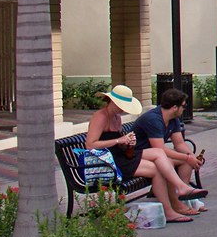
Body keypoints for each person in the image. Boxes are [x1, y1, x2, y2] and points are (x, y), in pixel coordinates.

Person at [85, 85, 204, 222]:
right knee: (159, 154)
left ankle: (170, 208)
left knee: (158, 167)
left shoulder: (116, 118)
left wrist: (126, 143)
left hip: (120, 156)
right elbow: (90, 145)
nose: (122, 109)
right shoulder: (101, 116)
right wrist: (119, 140)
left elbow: (118, 144)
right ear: (111, 101)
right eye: (121, 105)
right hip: (109, 163)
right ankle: (179, 190)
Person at [132, 88, 208, 211]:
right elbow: (159, 149)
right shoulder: (153, 119)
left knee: (186, 161)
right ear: (174, 107)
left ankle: (183, 193)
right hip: (140, 155)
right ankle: (176, 201)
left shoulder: (173, 119)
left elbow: (179, 143)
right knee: (169, 162)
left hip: (155, 155)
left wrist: (191, 157)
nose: (185, 108)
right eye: (183, 106)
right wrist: (187, 157)